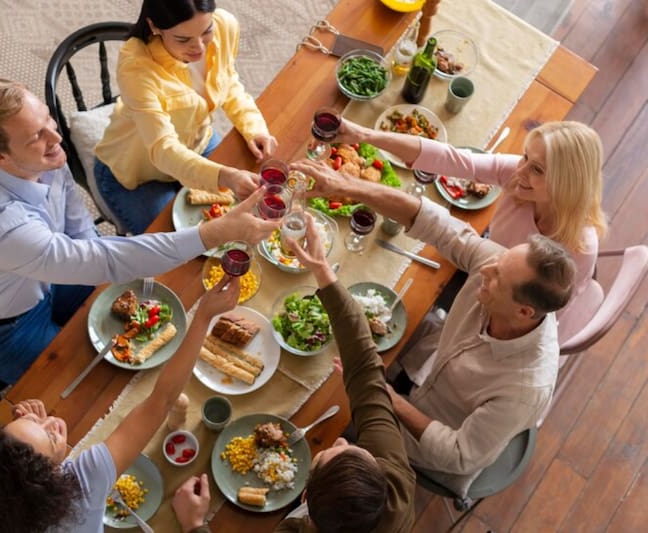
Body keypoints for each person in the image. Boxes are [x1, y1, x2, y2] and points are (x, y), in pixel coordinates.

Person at [0, 76, 277, 384]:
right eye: (36, 137)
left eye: (47, 118)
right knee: (98, 385)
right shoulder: (2, 229)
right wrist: (215, 233)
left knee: (153, 300)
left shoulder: (37, 158)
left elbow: (80, 227)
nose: (56, 137)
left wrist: (98, 269)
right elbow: (106, 259)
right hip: (1, 331)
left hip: (44, 279)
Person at [291, 156, 576, 497]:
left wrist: (390, 399)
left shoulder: (526, 387)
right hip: (421, 366)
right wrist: (351, 188)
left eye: (497, 277)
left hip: (425, 437)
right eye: (497, 261)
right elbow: (436, 224)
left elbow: (458, 456)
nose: (484, 269)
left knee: (316, 419)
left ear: (525, 311)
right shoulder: (502, 268)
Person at [172, 217, 417, 532]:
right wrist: (321, 269)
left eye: (329, 453)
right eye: (353, 449)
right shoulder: (394, 484)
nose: (341, 440)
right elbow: (366, 366)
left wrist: (194, 525)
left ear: (303, 501)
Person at [0, 276, 239, 533]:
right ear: (51, 480)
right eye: (51, 437)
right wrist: (202, 317)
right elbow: (160, 401)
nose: (49, 420)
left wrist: (34, 437)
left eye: (31, 421)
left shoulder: (7, 509)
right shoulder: (83, 487)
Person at [341, 118, 606, 344]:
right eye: (526, 157)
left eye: (536, 169)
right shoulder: (523, 176)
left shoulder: (579, 248)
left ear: (566, 183)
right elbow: (453, 159)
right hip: (483, 267)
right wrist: (364, 135)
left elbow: (540, 316)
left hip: (507, 309)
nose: (520, 171)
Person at [93, 0, 278, 234]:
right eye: (183, 40)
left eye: (206, 31)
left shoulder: (225, 25)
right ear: (154, 26)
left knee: (250, 207)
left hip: (196, 144)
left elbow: (227, 81)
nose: (200, 48)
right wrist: (224, 176)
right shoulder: (135, 68)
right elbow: (163, 149)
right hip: (136, 172)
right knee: (177, 252)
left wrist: (254, 127)